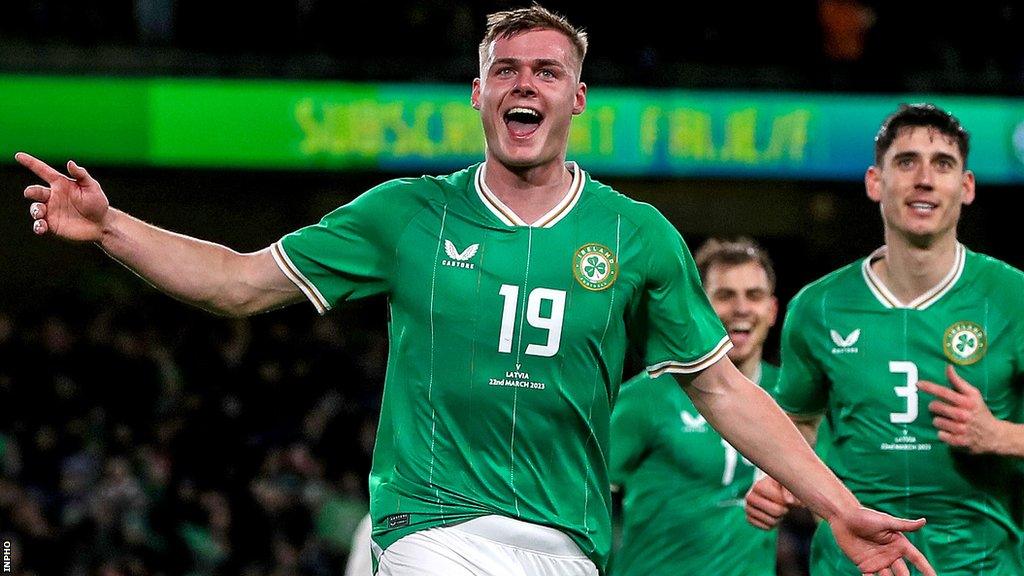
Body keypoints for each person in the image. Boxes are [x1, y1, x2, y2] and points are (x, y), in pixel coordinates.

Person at [18, 6, 935, 576]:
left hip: (568, 546)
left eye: (546, 71)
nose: (524, 83)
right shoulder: (408, 213)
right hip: (432, 529)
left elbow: (726, 389)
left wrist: (839, 506)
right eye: (506, 69)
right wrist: (112, 230)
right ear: (479, 93)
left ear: (580, 99)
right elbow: (239, 282)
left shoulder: (636, 236)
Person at [745, 103, 1024, 575]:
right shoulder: (819, 308)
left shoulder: (1013, 297)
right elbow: (799, 424)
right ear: (875, 181)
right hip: (852, 566)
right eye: (906, 161)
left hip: (982, 564)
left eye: (943, 164)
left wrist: (1001, 435)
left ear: (967, 187)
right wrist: (775, 477)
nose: (924, 179)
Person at [610, 238, 779, 576]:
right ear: (699, 307)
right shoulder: (649, 396)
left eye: (754, 296)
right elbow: (582, 489)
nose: (742, 308)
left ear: (772, 310)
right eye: (725, 296)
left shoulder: (788, 395)